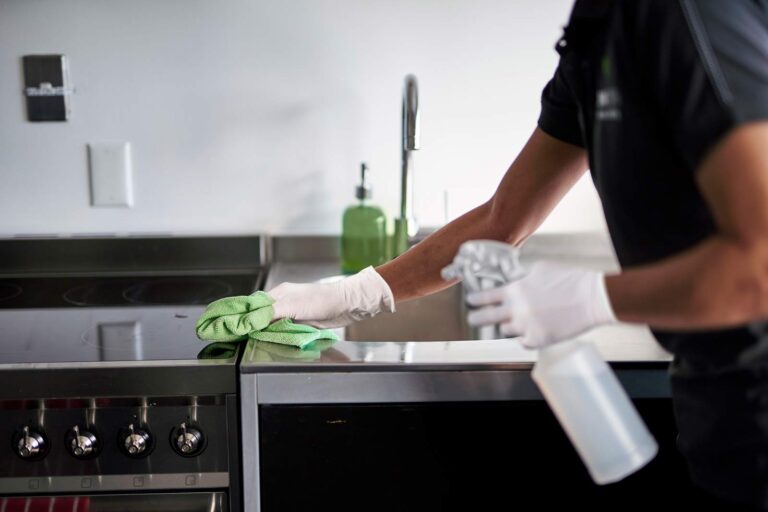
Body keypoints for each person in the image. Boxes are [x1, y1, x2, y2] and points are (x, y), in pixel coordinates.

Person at [269, 1, 768, 508]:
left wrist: (595, 297)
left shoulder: (685, 14)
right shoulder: (596, 35)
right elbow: (501, 222)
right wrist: (355, 293)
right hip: (717, 411)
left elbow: (761, 263)